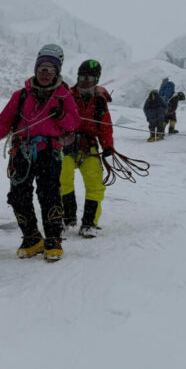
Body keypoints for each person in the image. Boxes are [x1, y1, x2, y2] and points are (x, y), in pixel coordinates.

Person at [0, 44, 79, 262]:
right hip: (21, 151)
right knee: (18, 196)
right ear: (36, 69)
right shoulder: (21, 95)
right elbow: (4, 121)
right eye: (42, 68)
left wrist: (59, 115)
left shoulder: (63, 97)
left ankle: (53, 238)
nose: (45, 73)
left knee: (49, 194)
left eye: (50, 69)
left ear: (57, 72)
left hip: (49, 152)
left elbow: (73, 124)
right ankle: (31, 237)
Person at [61, 59, 115, 237]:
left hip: (89, 146)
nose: (85, 80)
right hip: (66, 145)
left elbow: (105, 126)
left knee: (95, 184)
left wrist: (108, 146)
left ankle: (89, 222)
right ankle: (67, 217)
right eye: (82, 76)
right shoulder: (66, 96)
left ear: (97, 79)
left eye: (90, 77)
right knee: (62, 180)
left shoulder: (100, 101)